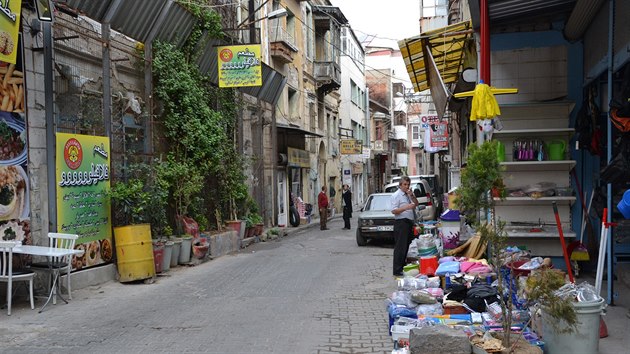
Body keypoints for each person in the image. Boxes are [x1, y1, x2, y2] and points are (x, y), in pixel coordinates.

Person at [390, 176, 419, 276]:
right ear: (400, 185)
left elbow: (416, 204)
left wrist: (412, 196)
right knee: (400, 247)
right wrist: (406, 207)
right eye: (405, 185)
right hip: (401, 223)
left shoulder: (408, 195)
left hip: (409, 223)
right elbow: (394, 210)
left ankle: (402, 267)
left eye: (408, 185)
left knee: (406, 246)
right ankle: (397, 270)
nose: (407, 187)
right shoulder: (396, 195)